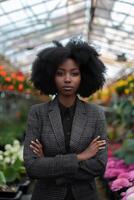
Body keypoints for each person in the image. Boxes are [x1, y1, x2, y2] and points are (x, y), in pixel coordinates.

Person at [23, 39, 108, 200]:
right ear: (50, 76)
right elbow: (32, 167)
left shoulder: (96, 114)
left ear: (84, 76)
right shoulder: (37, 113)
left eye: (74, 73)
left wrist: (47, 164)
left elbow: (99, 166)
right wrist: (80, 157)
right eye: (60, 73)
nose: (67, 79)